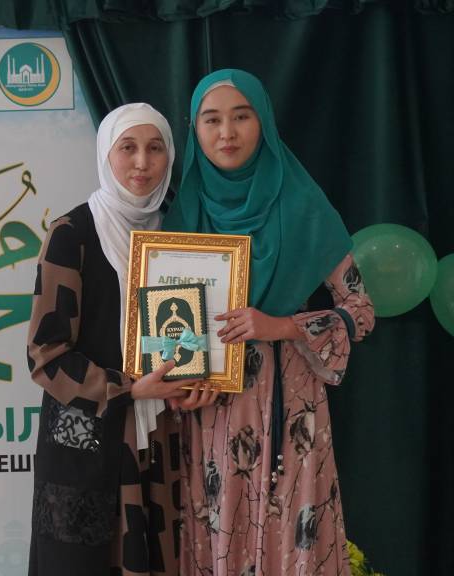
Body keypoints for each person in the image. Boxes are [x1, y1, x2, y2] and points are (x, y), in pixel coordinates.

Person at [162, 69, 375, 575]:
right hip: (211, 412)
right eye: (211, 120)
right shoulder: (183, 213)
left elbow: (361, 311)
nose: (227, 133)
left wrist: (281, 326)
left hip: (289, 409)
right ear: (194, 130)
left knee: (291, 534)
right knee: (217, 531)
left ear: (264, 122)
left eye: (242, 116)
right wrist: (177, 385)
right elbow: (168, 335)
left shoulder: (302, 206)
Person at [27, 102, 217, 576]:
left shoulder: (183, 232)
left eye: (155, 148)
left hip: (163, 440)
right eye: (127, 147)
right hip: (85, 442)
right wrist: (129, 388)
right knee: (80, 563)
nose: (142, 162)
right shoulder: (72, 234)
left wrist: (202, 378)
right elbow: (46, 356)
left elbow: (195, 334)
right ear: (106, 154)